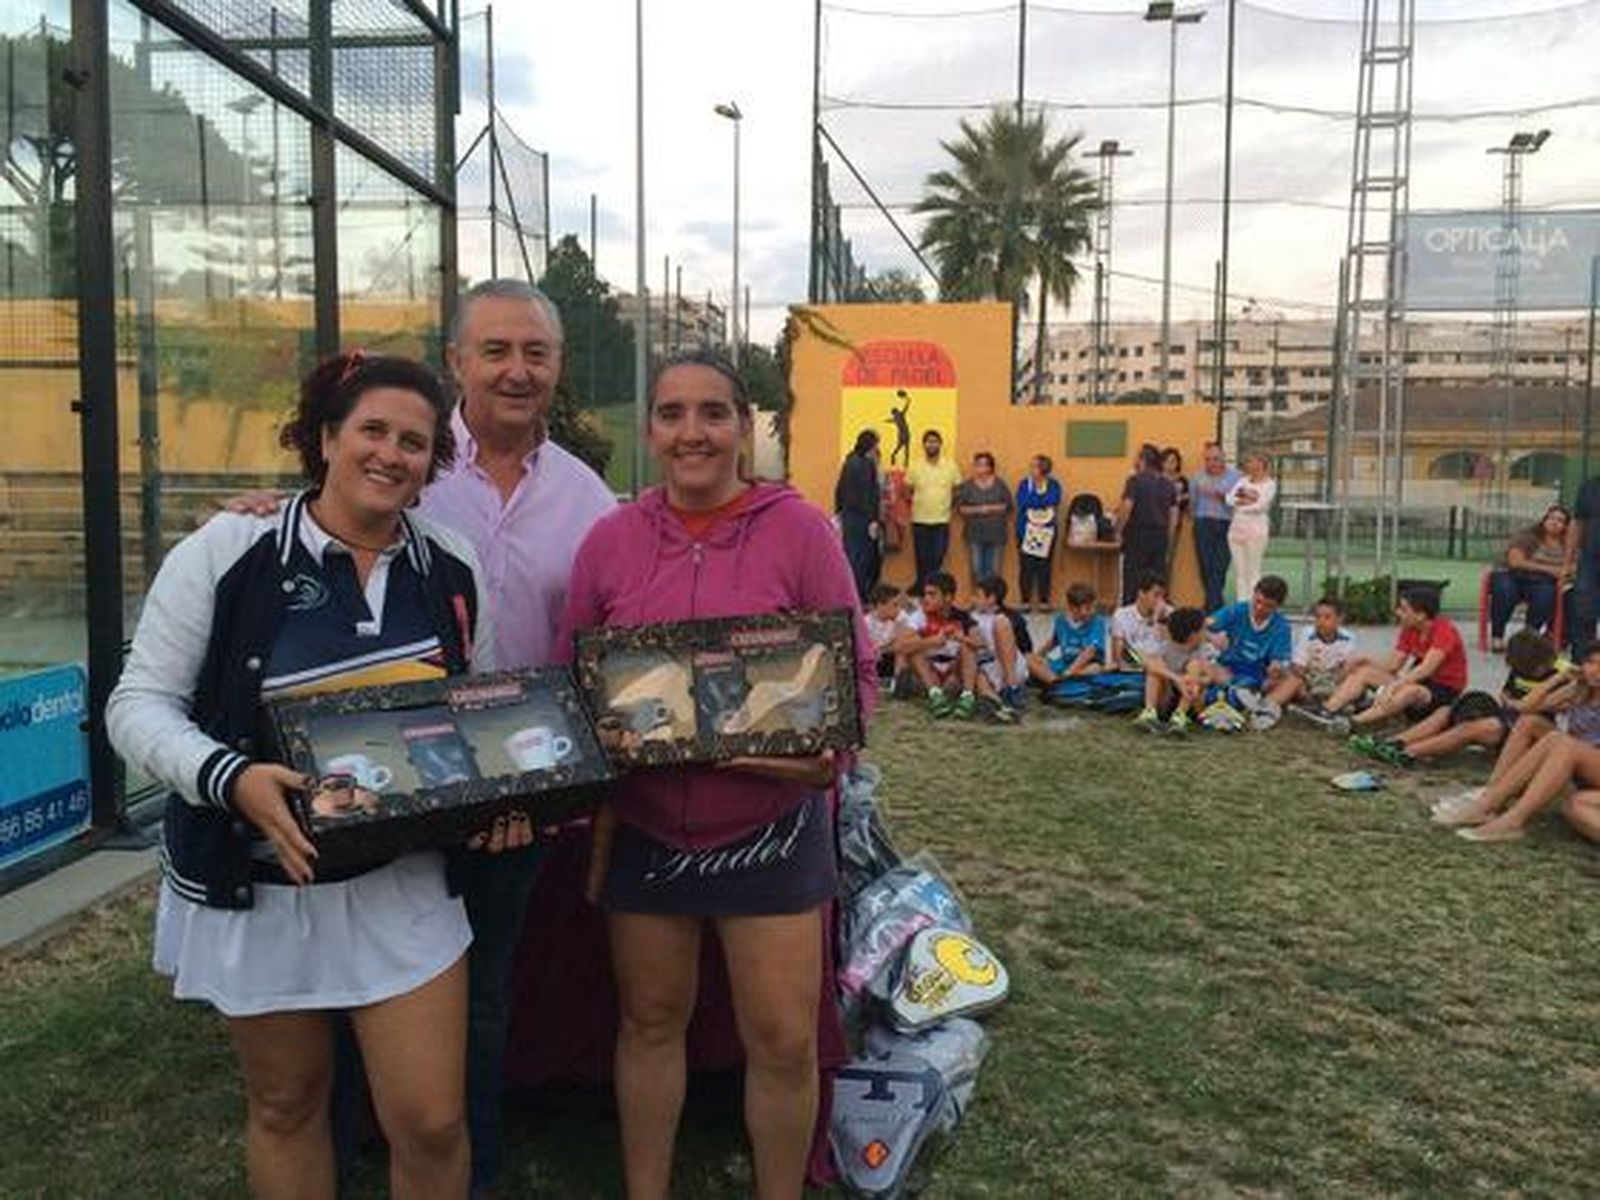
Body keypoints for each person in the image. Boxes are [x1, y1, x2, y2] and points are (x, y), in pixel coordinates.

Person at [221, 280, 618, 1196]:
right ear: (457, 363)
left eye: (537, 353)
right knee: (350, 990)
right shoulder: (414, 462)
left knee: (475, 1001)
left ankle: (453, 1169)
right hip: (379, 787)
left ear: (558, 369)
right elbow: (335, 521)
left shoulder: (591, 499)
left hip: (509, 794)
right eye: (496, 351)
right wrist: (266, 510)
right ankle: (352, 1148)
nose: (517, 371)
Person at [107, 353, 506, 1199]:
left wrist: (501, 796)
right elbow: (136, 704)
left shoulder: (453, 564)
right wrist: (230, 777)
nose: (390, 454)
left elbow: (481, 712)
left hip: (401, 886)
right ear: (325, 437)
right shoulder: (229, 549)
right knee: (288, 1106)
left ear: (431, 463)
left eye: (413, 442)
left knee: (432, 1121)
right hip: (263, 888)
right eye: (371, 430)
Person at [560, 350, 875, 1200]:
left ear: (745, 426)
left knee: (779, 1040)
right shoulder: (611, 540)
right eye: (671, 414)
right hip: (649, 832)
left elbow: (858, 681)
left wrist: (810, 755)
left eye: (712, 413)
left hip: (768, 834)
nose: (691, 432)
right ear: (652, 429)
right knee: (650, 1021)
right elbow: (573, 682)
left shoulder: (802, 531)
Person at [1435, 641, 1600, 842]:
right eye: (1591, 663)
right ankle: (1490, 798)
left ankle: (1513, 820)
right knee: (1530, 723)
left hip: (1587, 761)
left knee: (1562, 743)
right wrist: (1559, 677)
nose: (1595, 670)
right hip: (1580, 761)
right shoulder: (1578, 689)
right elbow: (1527, 707)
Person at [1350, 630, 1565, 768]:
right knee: (1446, 711)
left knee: (1473, 728)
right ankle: (1393, 742)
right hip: (1508, 716)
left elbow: (1538, 705)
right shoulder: (1523, 666)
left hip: (1533, 729)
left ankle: (1407, 753)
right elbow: (1506, 693)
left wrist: (1518, 703)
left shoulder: (1560, 674)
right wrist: (1510, 701)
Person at [1321, 586, 1468, 733]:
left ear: (1420, 615)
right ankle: (1328, 710)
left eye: (1404, 609)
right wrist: (1367, 661)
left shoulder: (1444, 630)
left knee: (1409, 691)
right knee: (1365, 672)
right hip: (1418, 681)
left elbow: (1426, 668)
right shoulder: (1409, 628)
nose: (1398, 613)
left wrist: (1394, 686)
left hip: (1443, 691)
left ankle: (1352, 722)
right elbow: (1393, 665)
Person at [1206, 574, 1293, 729]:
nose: (1259, 608)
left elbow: (1277, 661)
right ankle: (1247, 701)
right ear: (1253, 594)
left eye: (1268, 606)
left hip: (1258, 675)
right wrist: (1212, 636)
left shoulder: (1282, 626)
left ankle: (1251, 703)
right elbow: (1201, 625)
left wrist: (1276, 668)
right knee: (1206, 666)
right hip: (1228, 668)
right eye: (1257, 601)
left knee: (1293, 680)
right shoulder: (1237, 610)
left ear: (1278, 607)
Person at [1488, 504, 1570, 652]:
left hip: (1541, 581)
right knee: (1505, 590)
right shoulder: (1528, 536)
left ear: (1566, 526)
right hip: (1510, 574)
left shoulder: (1568, 544)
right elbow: (1516, 562)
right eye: (1551, 518)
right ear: (1544, 520)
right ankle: (1497, 637)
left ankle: (1528, 639)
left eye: (1560, 520)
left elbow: (1573, 565)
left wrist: (1564, 571)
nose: (1554, 522)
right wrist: (1550, 569)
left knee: (1546, 594)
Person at [1133, 606, 1222, 735]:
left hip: (1192, 700)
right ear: (1193, 635)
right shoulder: (1165, 647)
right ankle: (1149, 712)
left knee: (1195, 666)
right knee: (1155, 669)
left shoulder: (1205, 649)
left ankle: (1179, 716)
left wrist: (1193, 680)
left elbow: (1211, 677)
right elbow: (1147, 663)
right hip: (1166, 697)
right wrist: (1176, 679)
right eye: (1203, 629)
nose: (1206, 633)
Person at [904, 570, 980, 719]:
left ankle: (967, 697)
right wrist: (932, 641)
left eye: (932, 595)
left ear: (948, 597)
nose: (926, 599)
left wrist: (961, 638)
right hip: (929, 673)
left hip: (954, 673)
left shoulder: (963, 617)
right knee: (913, 649)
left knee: (968, 647)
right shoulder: (919, 616)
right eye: (925, 594)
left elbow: (979, 644)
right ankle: (935, 695)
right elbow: (901, 646)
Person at [1276, 596, 1359, 720]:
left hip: (1333, 679)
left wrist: (1336, 679)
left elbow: (1346, 668)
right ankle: (1317, 704)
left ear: (1340, 619)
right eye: (1317, 617)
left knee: (1354, 682)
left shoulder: (1349, 638)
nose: (1321, 621)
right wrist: (1310, 682)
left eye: (1327, 617)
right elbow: (1298, 667)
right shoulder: (1307, 634)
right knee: (1293, 681)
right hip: (1309, 677)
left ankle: (1323, 705)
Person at [1114, 445, 1177, 604]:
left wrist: (1118, 531)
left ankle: (1129, 616)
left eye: (1137, 458)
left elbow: (1127, 506)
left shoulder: (1134, 481)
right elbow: (1173, 516)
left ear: (1143, 461)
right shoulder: (1169, 484)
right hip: (1160, 536)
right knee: (1156, 581)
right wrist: (1168, 538)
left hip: (1137, 534)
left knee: (1132, 579)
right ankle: (1154, 617)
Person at [904, 429, 961, 589]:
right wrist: (916, 502)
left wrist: (949, 504)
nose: (931, 444)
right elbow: (906, 489)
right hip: (919, 520)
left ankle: (933, 590)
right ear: (924, 445)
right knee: (921, 558)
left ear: (940, 444)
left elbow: (957, 489)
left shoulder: (950, 465)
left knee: (937, 558)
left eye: (935, 441)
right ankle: (923, 590)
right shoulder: (915, 466)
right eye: (928, 441)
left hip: (941, 520)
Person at [969, 574, 1029, 721]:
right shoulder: (969, 616)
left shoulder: (1009, 617)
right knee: (980, 678)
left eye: (977, 596)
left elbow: (1025, 646)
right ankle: (998, 707)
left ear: (991, 599)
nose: (972, 599)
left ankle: (1012, 690)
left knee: (1000, 623)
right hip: (985, 666)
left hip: (1009, 666)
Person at [1190, 442, 1241, 614]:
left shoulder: (1237, 477)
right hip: (1203, 523)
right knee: (1205, 566)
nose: (1213, 463)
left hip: (1227, 524)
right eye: (1208, 459)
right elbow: (1193, 503)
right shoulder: (1197, 477)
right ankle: (1215, 605)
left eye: (1216, 459)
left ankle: (1212, 607)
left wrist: (1222, 497)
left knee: (1220, 566)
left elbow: (1239, 504)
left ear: (1224, 458)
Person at [835, 430, 883, 602]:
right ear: (870, 445)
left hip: (849, 517)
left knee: (851, 557)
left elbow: (839, 490)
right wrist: (873, 520)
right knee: (863, 559)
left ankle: (852, 595)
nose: (877, 447)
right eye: (876, 443)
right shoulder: (864, 464)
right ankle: (860, 597)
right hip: (862, 519)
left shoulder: (849, 462)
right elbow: (867, 495)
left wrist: (839, 512)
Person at [1028, 582, 1107, 685]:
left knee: (1094, 669)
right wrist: (1036, 655)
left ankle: (1059, 680)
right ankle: (1054, 681)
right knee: (1030, 660)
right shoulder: (1061, 620)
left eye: (1092, 607)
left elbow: (1089, 652)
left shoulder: (1098, 622)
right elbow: (1054, 641)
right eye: (1087, 608)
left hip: (1086, 664)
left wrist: (1070, 671)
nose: (1091, 611)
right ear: (1073, 608)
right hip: (1064, 662)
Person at [954, 451, 1013, 586]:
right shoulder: (967, 486)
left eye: (983, 464)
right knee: (976, 570)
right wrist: (979, 510)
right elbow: (959, 509)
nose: (979, 467)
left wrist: (990, 508)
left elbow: (1008, 506)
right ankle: (978, 602)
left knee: (995, 571)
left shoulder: (999, 484)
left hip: (997, 535)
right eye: (977, 464)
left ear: (990, 467)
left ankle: (993, 603)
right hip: (974, 535)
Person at [1225, 453, 1276, 603]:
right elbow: (1229, 498)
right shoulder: (1242, 480)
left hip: (1256, 530)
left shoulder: (1270, 484)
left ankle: (1253, 604)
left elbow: (1261, 506)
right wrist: (1247, 501)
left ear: (1263, 464)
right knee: (1240, 572)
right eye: (1249, 462)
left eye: (1254, 462)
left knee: (1253, 571)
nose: (1250, 465)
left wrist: (1241, 505)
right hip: (1236, 530)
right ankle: (1242, 604)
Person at [1015, 455, 1063, 613]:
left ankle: (1044, 601)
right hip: (1026, 531)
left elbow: (1054, 499)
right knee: (1026, 567)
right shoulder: (1024, 484)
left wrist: (1035, 499)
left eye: (1035, 466)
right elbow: (1022, 501)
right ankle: (1025, 601)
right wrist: (1041, 501)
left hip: (1046, 532)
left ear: (1043, 469)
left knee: (1045, 567)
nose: (1031, 469)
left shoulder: (1054, 484)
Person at [1109, 570, 1171, 670]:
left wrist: (1158, 619)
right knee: (1135, 656)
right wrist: (1145, 663)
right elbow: (1118, 656)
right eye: (1156, 595)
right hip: (1135, 667)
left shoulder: (1168, 613)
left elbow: (1171, 650)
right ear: (1141, 593)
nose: (1160, 601)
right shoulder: (1121, 615)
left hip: (1162, 666)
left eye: (1163, 596)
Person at [864, 582, 916, 688]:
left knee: (902, 650)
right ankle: (871, 683)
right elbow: (867, 647)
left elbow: (901, 643)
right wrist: (876, 650)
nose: (898, 608)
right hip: (874, 659)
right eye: (894, 605)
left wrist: (898, 624)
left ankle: (897, 684)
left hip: (890, 656)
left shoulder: (900, 617)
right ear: (880, 605)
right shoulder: (867, 622)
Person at [1162, 447, 1191, 577]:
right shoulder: (1157, 479)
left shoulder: (1182, 481)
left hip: (1174, 524)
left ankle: (1164, 592)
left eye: (1174, 461)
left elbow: (1186, 503)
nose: (1170, 464)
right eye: (1167, 461)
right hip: (1157, 523)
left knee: (1168, 559)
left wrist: (1182, 498)